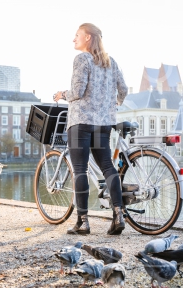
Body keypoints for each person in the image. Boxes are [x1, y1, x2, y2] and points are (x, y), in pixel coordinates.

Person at [54, 23, 128, 235]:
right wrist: (114, 104)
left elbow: (77, 91)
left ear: (88, 38)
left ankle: (83, 222)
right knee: (107, 166)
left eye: (77, 35)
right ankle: (118, 215)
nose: (73, 39)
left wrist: (62, 94)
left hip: (81, 123)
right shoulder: (110, 62)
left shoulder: (82, 59)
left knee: (80, 169)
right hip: (103, 124)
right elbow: (123, 89)